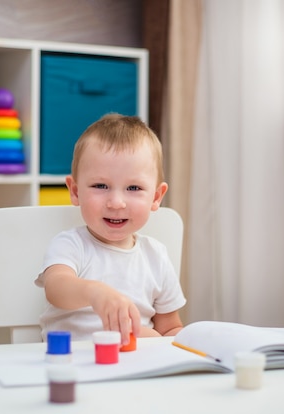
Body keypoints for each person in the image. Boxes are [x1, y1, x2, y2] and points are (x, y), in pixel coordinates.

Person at [34, 113, 186, 345]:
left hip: (135, 368)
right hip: (73, 363)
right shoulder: (71, 244)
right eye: (100, 185)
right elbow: (56, 289)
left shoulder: (156, 256)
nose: (116, 202)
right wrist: (94, 293)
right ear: (75, 192)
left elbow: (170, 327)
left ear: (156, 197)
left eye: (133, 187)